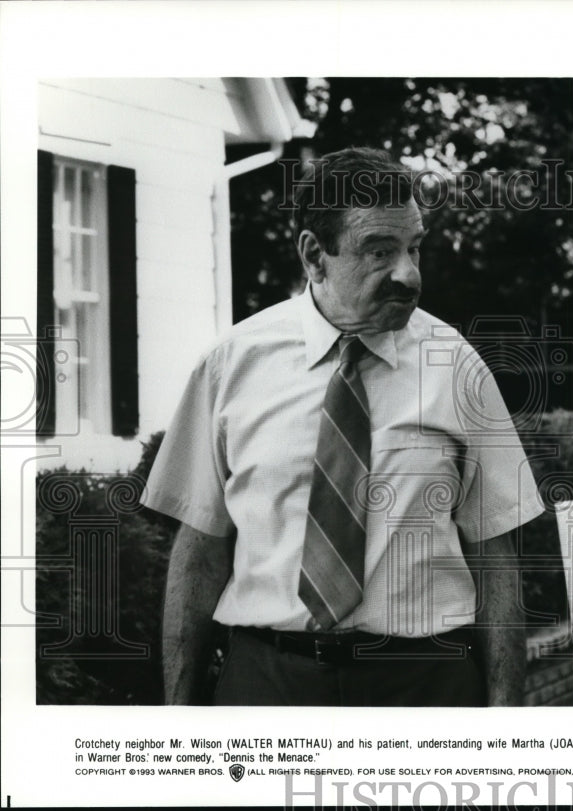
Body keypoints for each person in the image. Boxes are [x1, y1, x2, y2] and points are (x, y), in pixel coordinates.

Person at [142, 147, 543, 706]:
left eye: (414, 248)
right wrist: (178, 716)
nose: (408, 274)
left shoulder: (455, 366)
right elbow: (200, 548)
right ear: (314, 255)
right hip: (267, 686)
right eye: (379, 251)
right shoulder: (230, 365)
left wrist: (505, 718)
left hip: (425, 687)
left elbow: (495, 555)